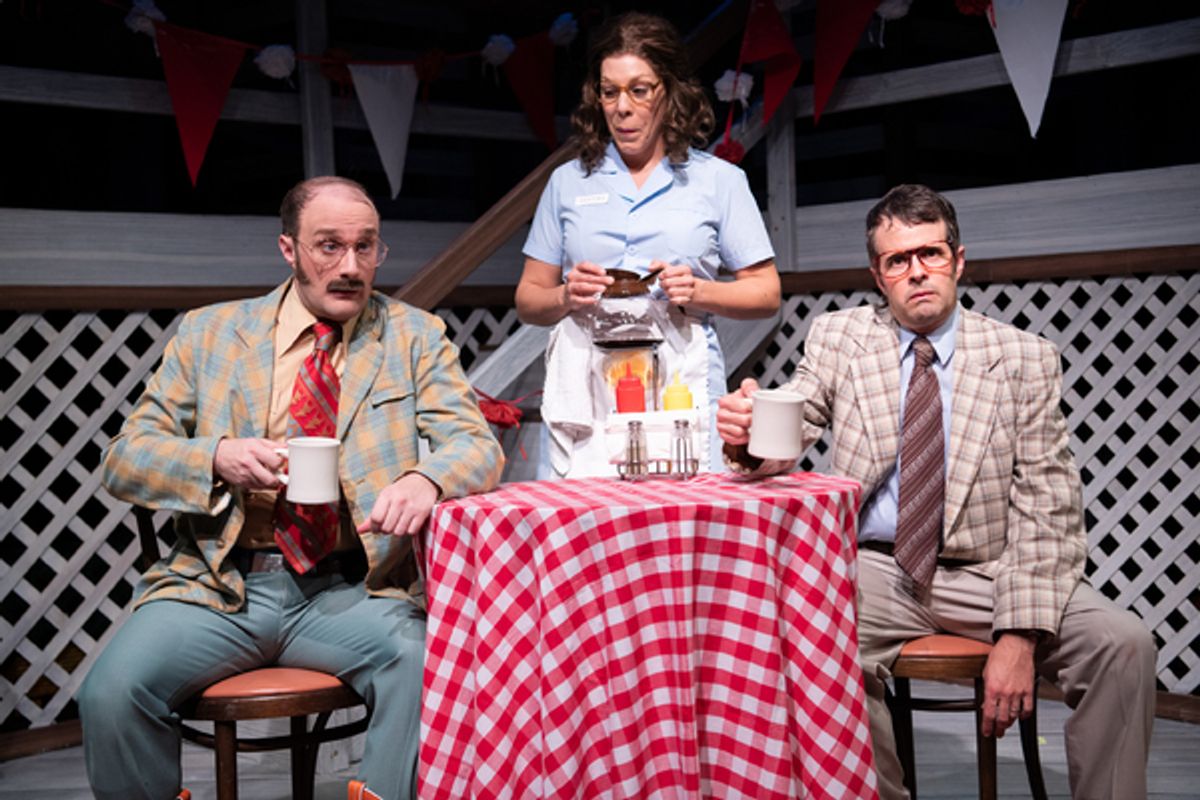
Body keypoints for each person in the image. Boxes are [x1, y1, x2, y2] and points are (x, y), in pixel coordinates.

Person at [716, 184, 1156, 799]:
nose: (917, 271)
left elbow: (1048, 506)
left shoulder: (1023, 358)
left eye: (931, 253)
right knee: (810, 640)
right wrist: (750, 432)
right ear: (878, 274)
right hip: (878, 569)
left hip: (989, 569)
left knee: (1123, 645)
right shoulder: (840, 339)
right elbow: (794, 424)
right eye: (898, 260)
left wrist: (1018, 635)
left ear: (959, 260)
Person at [78, 176, 504, 800]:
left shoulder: (413, 336)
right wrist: (217, 457)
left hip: (349, 588)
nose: (351, 267)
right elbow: (126, 460)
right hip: (222, 586)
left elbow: (475, 445)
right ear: (289, 249)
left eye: (366, 247)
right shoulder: (212, 334)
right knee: (111, 692)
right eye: (329, 246)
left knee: (420, 662)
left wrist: (426, 476)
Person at [515, 11, 781, 477]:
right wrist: (563, 295)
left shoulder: (718, 180)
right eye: (610, 90)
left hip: (681, 380)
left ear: (670, 91)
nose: (622, 106)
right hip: (588, 384)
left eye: (640, 89)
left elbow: (766, 294)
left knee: (684, 523)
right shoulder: (567, 183)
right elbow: (528, 300)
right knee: (587, 527)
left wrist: (700, 291)